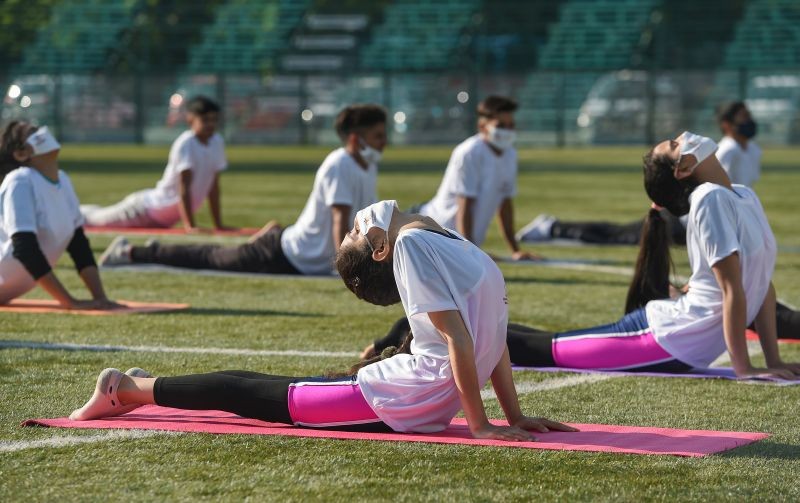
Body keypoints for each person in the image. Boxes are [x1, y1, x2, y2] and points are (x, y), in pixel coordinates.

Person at [69, 200, 576, 441]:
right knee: (248, 392)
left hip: (400, 400)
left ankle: (131, 386)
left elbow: (490, 341)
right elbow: (461, 342)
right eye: (356, 232)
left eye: (349, 232)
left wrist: (507, 418)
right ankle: (126, 389)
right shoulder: (417, 244)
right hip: (397, 399)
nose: (355, 222)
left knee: (254, 389)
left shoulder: (433, 237)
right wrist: (485, 425)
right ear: (381, 249)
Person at [503, 132, 800, 378]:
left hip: (671, 339)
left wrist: (774, 362)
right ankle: (464, 334)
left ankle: (472, 331)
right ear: (683, 170)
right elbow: (730, 289)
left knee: (541, 344)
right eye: (674, 144)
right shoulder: (710, 198)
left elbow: (762, 285)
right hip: (662, 338)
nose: (683, 136)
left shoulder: (744, 194)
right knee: (541, 349)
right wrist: (744, 368)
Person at [98, 104, 386, 276]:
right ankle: (134, 252)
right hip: (285, 254)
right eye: (377, 136)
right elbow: (340, 222)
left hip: (294, 250)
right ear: (355, 138)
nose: (384, 142)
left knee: (217, 257)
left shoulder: (367, 166)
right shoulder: (340, 164)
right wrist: (344, 270)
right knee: (213, 259)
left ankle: (272, 231)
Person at [0, 121, 119, 309]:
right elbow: (24, 248)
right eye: (32, 132)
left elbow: (78, 244)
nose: (42, 132)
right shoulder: (20, 181)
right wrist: (69, 302)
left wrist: (100, 298)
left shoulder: (63, 179)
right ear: (21, 154)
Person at [81, 96, 232, 232]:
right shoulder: (186, 144)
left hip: (162, 219)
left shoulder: (216, 142)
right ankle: (73, 211)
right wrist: (190, 225)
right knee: (95, 221)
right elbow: (184, 187)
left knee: (100, 217)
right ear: (190, 119)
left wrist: (218, 224)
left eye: (214, 120)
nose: (211, 124)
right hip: (145, 210)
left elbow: (213, 187)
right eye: (205, 120)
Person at [417, 96, 539, 260]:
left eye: (511, 125)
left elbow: (505, 203)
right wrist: (470, 252)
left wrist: (515, 250)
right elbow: (465, 205)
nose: (508, 131)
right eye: (500, 126)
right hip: (434, 233)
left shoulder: (510, 154)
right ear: (483, 127)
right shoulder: (469, 152)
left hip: (459, 242)